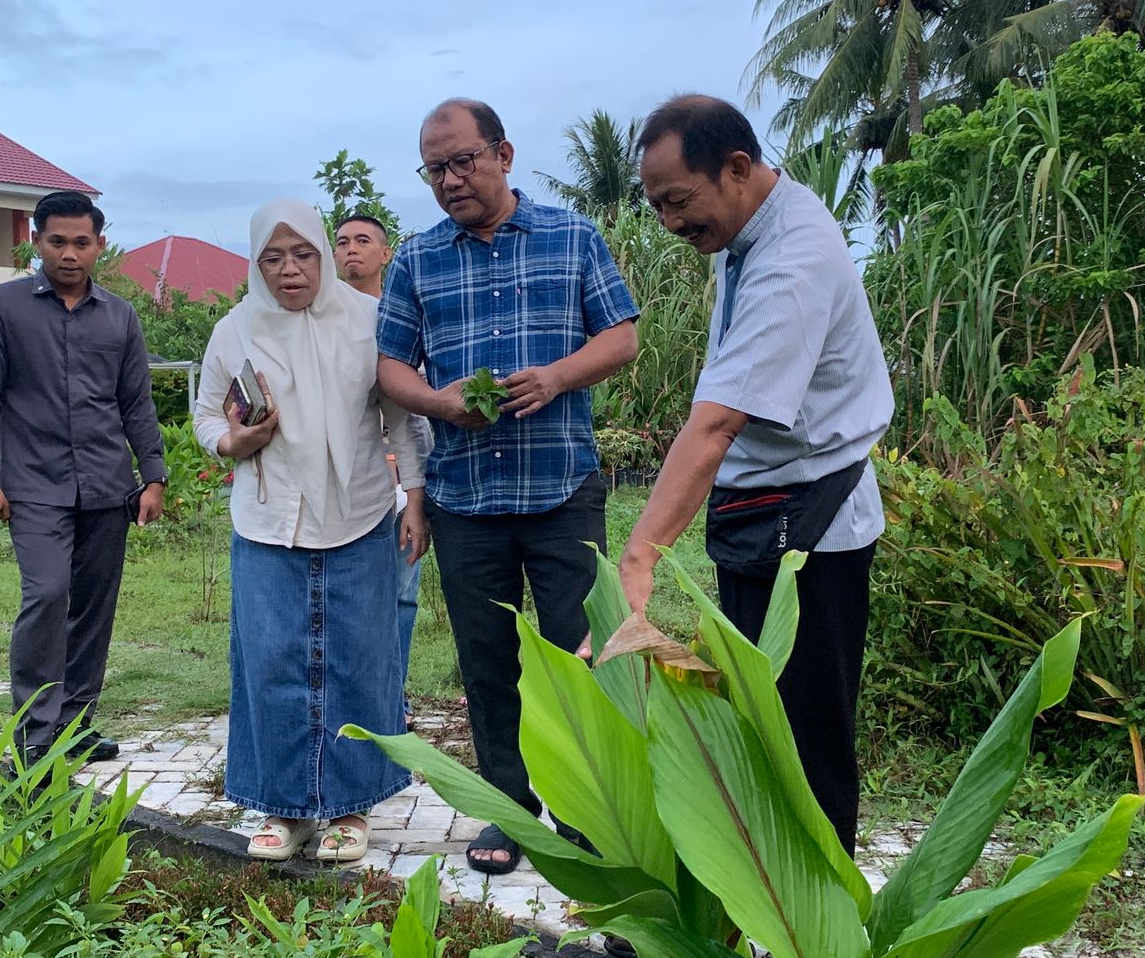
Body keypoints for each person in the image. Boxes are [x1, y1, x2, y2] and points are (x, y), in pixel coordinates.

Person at [618, 94, 894, 855]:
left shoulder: (792, 257)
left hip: (813, 533)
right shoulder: (752, 230)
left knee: (806, 738)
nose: (671, 223)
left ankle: (815, 940)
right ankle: (751, 910)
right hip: (762, 518)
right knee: (752, 720)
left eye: (679, 200)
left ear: (737, 168)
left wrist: (638, 554)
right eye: (658, 206)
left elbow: (714, 426)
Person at [376, 99, 640, 874]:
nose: (451, 180)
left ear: (504, 154)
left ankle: (593, 816)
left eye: (464, 161)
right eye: (435, 169)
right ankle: (510, 812)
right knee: (487, 662)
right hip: (465, 499)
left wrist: (557, 377)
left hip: (562, 488)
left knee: (580, 658)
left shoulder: (571, 236)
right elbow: (389, 365)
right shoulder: (417, 260)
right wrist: (437, 401)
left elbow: (621, 334)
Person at [195, 199, 430, 863]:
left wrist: (414, 497)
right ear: (256, 262)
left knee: (358, 657)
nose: (289, 269)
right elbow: (206, 416)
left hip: (358, 511)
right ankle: (285, 808)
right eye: (274, 257)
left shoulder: (368, 322)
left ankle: (350, 809)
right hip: (267, 520)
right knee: (271, 661)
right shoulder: (234, 330)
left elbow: (404, 418)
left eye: (302, 255)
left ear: (323, 256)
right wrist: (231, 441)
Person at [0, 189, 167, 764]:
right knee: (48, 596)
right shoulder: (3, 308)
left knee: (95, 607)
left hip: (108, 484)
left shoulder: (120, 315)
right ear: (36, 242)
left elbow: (135, 402)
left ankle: (75, 726)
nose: (70, 254)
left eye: (82, 243)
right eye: (58, 242)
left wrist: (152, 475)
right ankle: (33, 734)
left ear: (99, 245)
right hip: (32, 485)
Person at [333, 214, 421, 715]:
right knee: (349, 596)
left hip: (406, 477)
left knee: (403, 593)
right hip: (352, 479)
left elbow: (413, 407)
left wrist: (412, 482)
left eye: (363, 241)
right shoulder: (326, 320)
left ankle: (392, 695)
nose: (352, 251)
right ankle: (351, 697)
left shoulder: (403, 315)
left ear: (386, 253)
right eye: (342, 242)